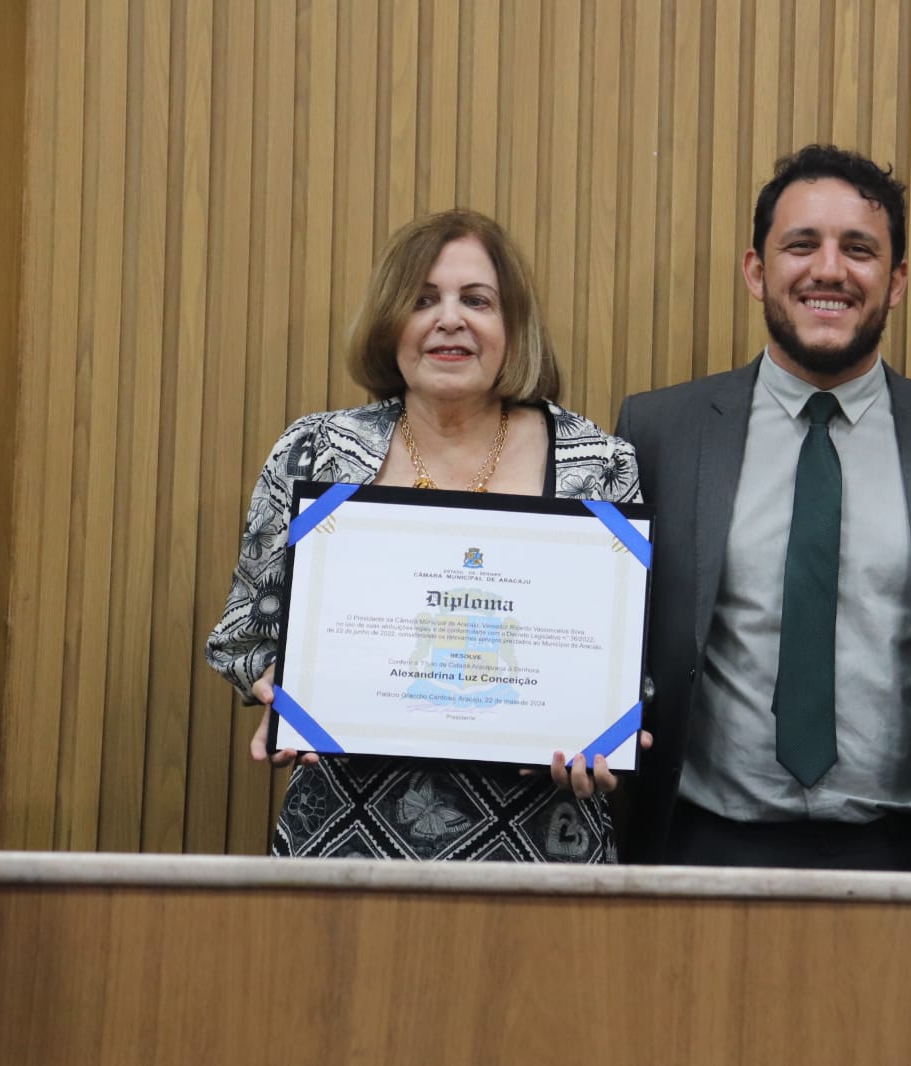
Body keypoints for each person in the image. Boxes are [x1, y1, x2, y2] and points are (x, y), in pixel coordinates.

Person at [615, 145, 911, 871]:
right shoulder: (661, 435)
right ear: (755, 269)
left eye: (858, 250)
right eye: (801, 245)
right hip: (700, 845)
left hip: (909, 852)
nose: (828, 270)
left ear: (895, 282)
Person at [207, 209, 643, 861]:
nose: (450, 319)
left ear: (511, 327)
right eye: (422, 300)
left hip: (540, 846)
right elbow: (243, 635)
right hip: (342, 842)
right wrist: (285, 687)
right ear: (392, 323)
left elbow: (628, 664)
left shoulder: (599, 463)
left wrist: (609, 729)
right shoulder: (317, 453)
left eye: (477, 300)